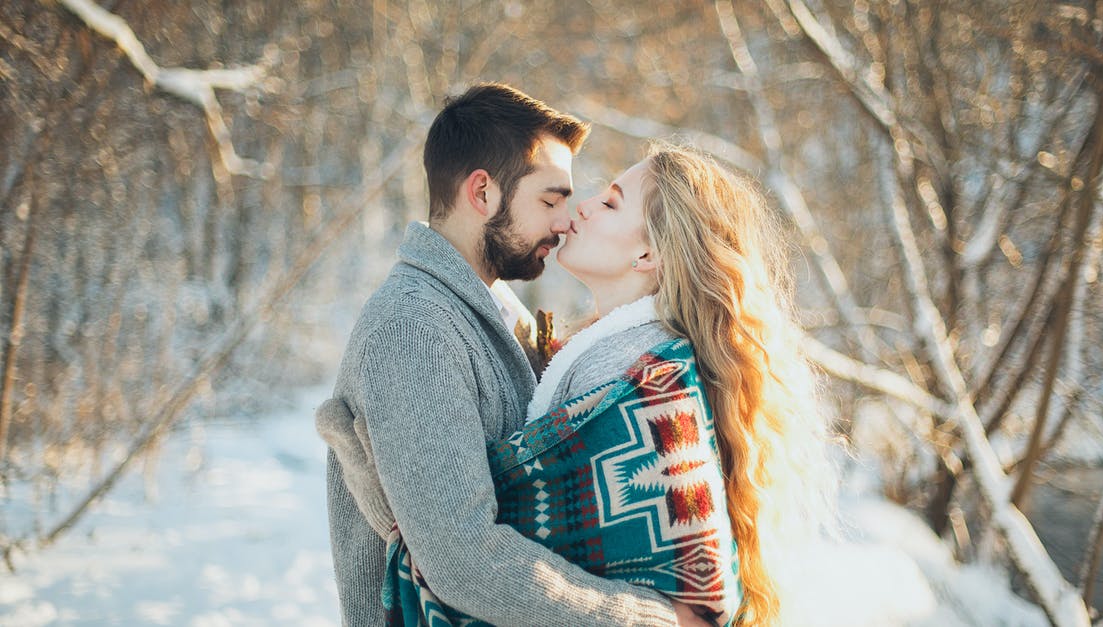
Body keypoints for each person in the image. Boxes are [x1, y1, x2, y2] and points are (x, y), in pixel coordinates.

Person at [320, 143, 836, 625]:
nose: (580, 209)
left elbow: (497, 554)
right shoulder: (605, 352)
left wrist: (377, 489)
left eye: (611, 204)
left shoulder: (636, 379)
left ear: (647, 256)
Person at [321, 83, 695, 627]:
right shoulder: (412, 328)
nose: (566, 221)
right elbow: (465, 561)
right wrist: (648, 621)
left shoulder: (496, 313)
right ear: (482, 194)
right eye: (550, 199)